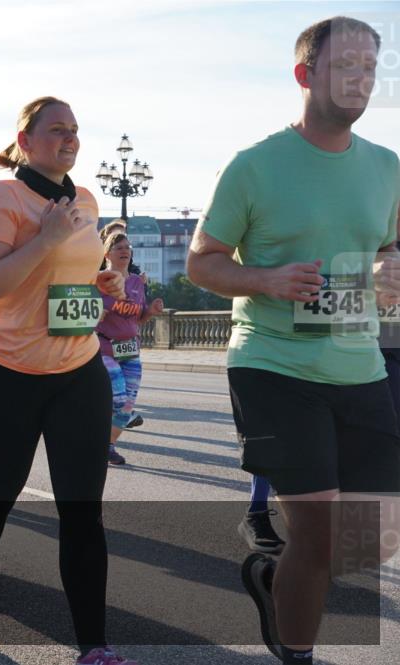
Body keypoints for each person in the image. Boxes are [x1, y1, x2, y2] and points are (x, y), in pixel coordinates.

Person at [186, 17, 400, 665]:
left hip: (359, 364)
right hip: (272, 363)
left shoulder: (388, 167)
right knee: (316, 528)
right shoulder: (254, 167)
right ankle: (297, 651)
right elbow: (203, 261)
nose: (361, 79)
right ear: (306, 74)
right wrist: (266, 279)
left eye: (370, 67)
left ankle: (274, 579)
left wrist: (390, 271)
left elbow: (390, 248)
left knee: (376, 540)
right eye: (346, 66)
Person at [0, 96, 136, 665]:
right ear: (25, 140)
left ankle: (93, 647)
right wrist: (46, 239)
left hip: (78, 371)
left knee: (82, 509)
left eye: (75, 130)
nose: (70, 138)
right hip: (7, 371)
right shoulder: (2, 197)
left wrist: (102, 281)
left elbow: (68, 277)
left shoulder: (84, 198)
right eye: (57, 130)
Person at [96, 231, 164, 466]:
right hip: (105, 348)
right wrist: (97, 314)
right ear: (107, 254)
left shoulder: (136, 281)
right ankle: (89, 434)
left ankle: (108, 446)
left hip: (130, 351)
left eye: (127, 247)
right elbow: (86, 317)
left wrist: (151, 311)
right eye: (119, 248)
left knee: (126, 406)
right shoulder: (98, 282)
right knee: (118, 396)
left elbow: (139, 318)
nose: (125, 251)